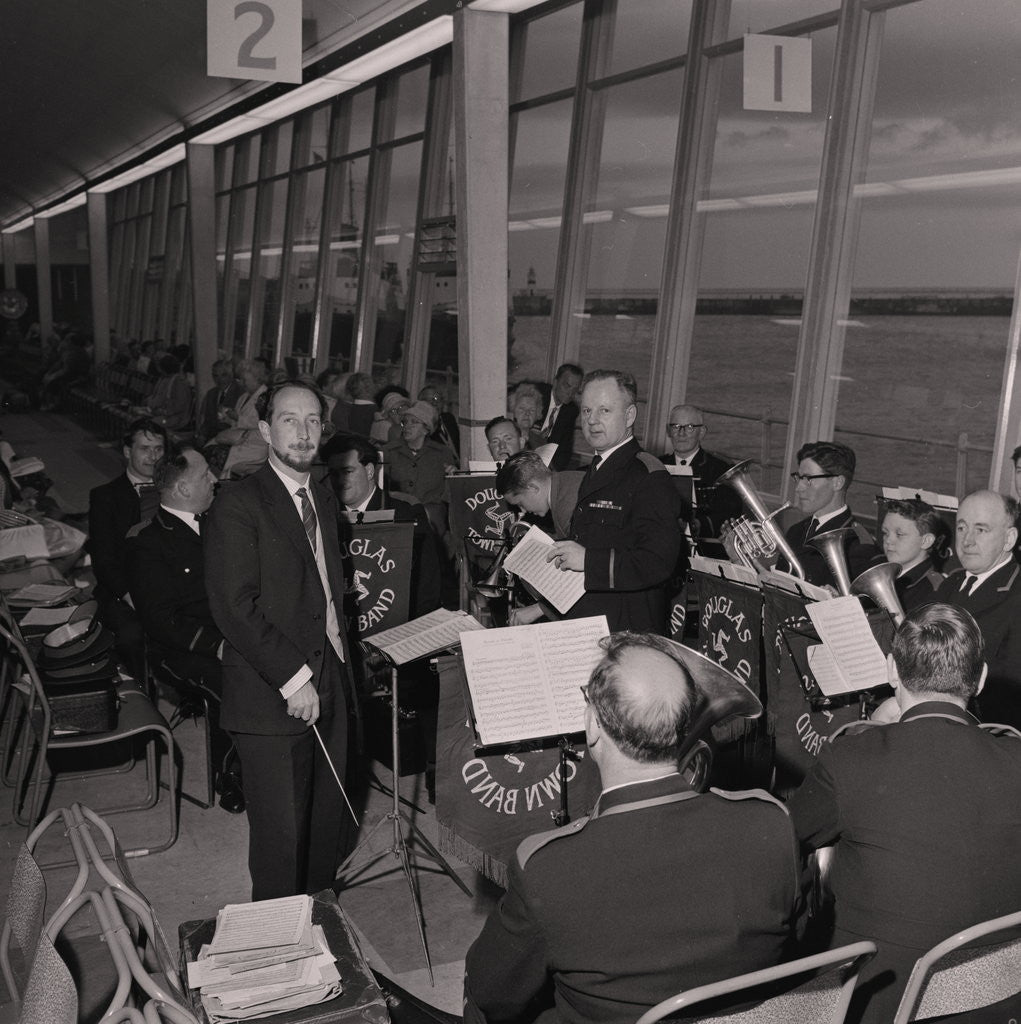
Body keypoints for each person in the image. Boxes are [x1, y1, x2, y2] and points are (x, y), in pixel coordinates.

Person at [464, 632, 800, 1024]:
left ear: (592, 726)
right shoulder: (771, 822)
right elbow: (793, 937)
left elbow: (493, 994)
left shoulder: (547, 868)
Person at [787, 603, 1021, 1024]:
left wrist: (876, 735)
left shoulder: (851, 759)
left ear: (892, 671)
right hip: (1000, 998)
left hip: (881, 1002)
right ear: (981, 679)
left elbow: (783, 846)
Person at [204, 380, 355, 900]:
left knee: (324, 829)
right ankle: (277, 961)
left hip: (331, 675)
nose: (304, 432)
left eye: (313, 420)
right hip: (274, 693)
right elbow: (233, 607)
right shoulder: (237, 503)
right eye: (290, 420)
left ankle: (320, 933)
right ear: (267, 430)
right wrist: (295, 679)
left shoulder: (322, 496)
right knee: (281, 842)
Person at [126, 446, 244, 814]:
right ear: (181, 489)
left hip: (235, 633)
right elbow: (161, 622)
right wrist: (219, 645)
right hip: (180, 650)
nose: (214, 480)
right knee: (234, 684)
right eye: (205, 474)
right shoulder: (147, 542)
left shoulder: (223, 520)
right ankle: (232, 775)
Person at [546, 370, 681, 634]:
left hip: (625, 629)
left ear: (630, 416)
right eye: (586, 411)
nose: (592, 421)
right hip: (592, 620)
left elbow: (658, 562)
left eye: (604, 411)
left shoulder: (648, 476)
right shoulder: (596, 467)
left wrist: (588, 560)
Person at [321, 433, 442, 621]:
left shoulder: (405, 512)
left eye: (347, 471)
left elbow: (427, 583)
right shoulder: (324, 516)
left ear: (369, 471)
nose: (339, 481)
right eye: (334, 474)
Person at [88, 417, 169, 679]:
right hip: (124, 591)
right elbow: (104, 561)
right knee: (131, 636)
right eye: (145, 449)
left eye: (159, 449)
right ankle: (142, 697)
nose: (153, 456)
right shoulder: (105, 496)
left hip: (170, 588)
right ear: (127, 452)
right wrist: (130, 596)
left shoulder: (175, 490)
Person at [936, 489, 1021, 727]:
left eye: (981, 530)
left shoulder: (1017, 596)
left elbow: (1010, 697)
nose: (967, 541)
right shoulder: (950, 583)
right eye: (962, 528)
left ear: (1009, 539)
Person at [776, 441, 880, 588]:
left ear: (837, 483)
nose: (799, 488)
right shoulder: (796, 531)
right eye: (798, 478)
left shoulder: (858, 546)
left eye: (808, 479)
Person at [662, 403, 743, 553]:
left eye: (690, 427)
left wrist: (699, 525)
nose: (682, 433)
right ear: (668, 431)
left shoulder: (720, 469)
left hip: (704, 551)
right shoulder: (656, 465)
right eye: (676, 426)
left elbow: (728, 513)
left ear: (702, 432)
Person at [879, 497, 949, 613]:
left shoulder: (934, 591)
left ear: (926, 541)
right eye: (885, 533)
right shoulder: (882, 574)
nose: (888, 540)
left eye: (899, 534)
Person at [383, 400, 454, 506]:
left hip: (432, 517)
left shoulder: (442, 453)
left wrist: (453, 477)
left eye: (414, 422)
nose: (407, 426)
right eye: (405, 422)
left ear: (426, 429)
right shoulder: (388, 451)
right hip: (400, 515)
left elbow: (450, 495)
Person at [210, 357, 270, 479]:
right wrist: (227, 417)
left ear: (257, 378)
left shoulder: (266, 397)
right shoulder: (243, 397)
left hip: (256, 444)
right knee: (210, 449)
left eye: (244, 380)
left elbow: (263, 422)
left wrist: (237, 417)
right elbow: (237, 422)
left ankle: (221, 487)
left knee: (222, 458)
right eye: (240, 379)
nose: (241, 383)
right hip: (240, 439)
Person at [537, 363, 582, 470]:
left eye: (575, 389)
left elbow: (565, 451)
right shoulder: (538, 394)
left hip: (544, 465)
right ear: (555, 382)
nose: (570, 393)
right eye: (567, 386)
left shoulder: (571, 410)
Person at [195, 358, 241, 447]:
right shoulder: (211, 393)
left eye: (224, 375)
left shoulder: (240, 393)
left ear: (231, 375)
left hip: (231, 440)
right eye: (215, 376)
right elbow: (207, 420)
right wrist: (202, 435)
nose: (219, 380)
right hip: (211, 437)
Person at [418, 383, 460, 462]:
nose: (434, 403)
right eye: (428, 400)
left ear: (442, 402)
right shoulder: (419, 427)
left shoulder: (449, 418)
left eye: (436, 399)